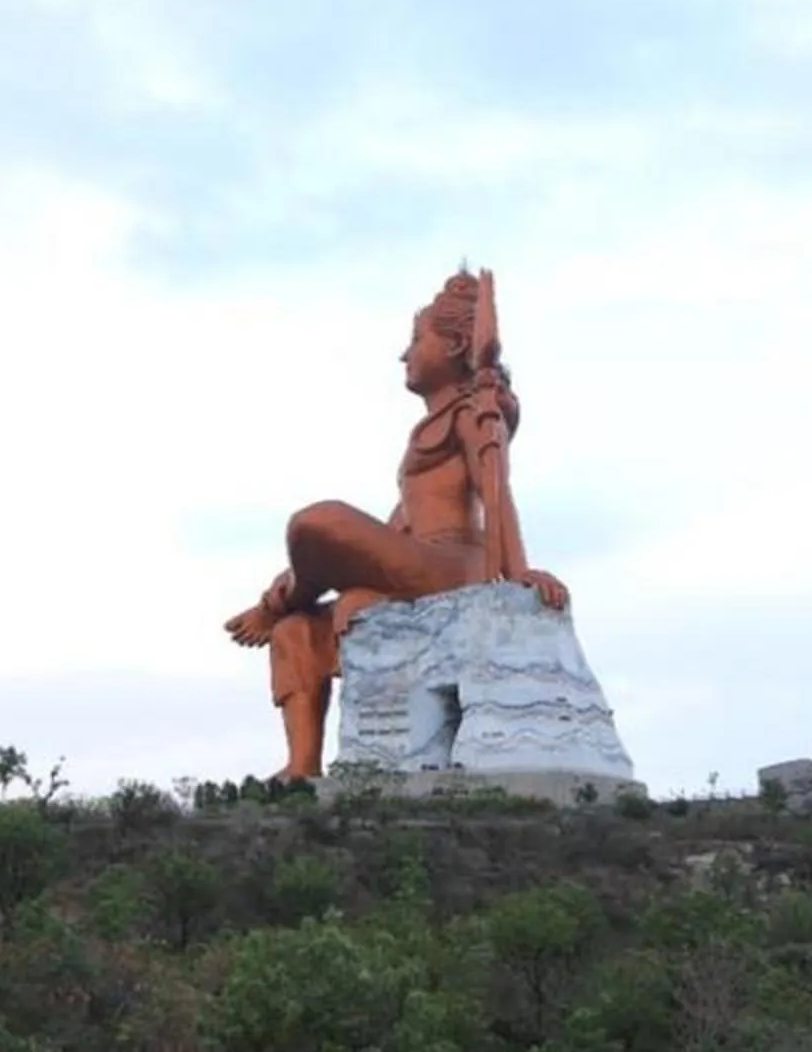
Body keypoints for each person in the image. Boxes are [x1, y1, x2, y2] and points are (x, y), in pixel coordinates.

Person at [224, 269, 570, 781]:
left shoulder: (474, 411)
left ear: (453, 343)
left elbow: (496, 490)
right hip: (412, 568)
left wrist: (517, 569)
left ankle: (284, 597)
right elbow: (399, 524)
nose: (405, 355)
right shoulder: (427, 430)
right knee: (298, 631)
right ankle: (302, 766)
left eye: (415, 341)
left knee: (313, 524)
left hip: (451, 566)